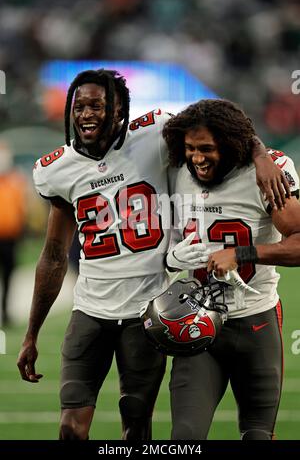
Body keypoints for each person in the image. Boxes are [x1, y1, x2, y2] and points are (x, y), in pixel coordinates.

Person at [16, 69, 290, 441]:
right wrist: (31, 333)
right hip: (114, 310)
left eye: (97, 105)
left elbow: (217, 123)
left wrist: (260, 154)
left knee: (142, 426)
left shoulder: (155, 133)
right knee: (82, 429)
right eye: (79, 106)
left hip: (167, 311)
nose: (86, 114)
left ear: (119, 111)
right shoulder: (56, 170)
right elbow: (52, 254)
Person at [162, 98, 300, 440]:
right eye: (191, 148)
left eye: (207, 148)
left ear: (230, 143)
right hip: (197, 320)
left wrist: (242, 253)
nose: (197, 158)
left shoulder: (268, 173)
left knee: (257, 435)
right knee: (184, 438)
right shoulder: (177, 170)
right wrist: (173, 259)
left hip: (255, 320)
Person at [0, 140, 27, 326]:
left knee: (9, 276)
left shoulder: (16, 179)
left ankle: (5, 312)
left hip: (11, 237)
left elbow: (22, 208)